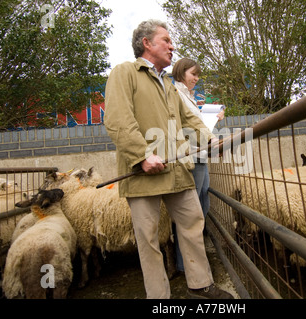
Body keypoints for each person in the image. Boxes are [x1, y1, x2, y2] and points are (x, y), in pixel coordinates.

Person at [103, 19, 233, 299]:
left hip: (177, 171)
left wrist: (210, 142)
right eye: (166, 40)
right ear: (147, 43)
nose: (172, 46)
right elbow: (117, 120)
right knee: (148, 239)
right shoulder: (125, 73)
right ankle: (158, 297)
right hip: (143, 173)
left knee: (193, 223)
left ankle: (200, 285)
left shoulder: (168, 84)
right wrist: (142, 155)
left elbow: (190, 121)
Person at [171, 57, 225, 273]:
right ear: (182, 72)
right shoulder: (175, 94)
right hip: (191, 156)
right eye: (193, 74)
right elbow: (184, 125)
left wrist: (212, 119)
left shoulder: (188, 96)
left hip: (200, 153)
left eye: (197, 75)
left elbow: (195, 123)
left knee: (202, 206)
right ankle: (186, 265)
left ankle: (192, 261)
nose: (196, 78)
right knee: (190, 212)